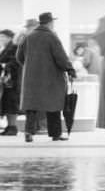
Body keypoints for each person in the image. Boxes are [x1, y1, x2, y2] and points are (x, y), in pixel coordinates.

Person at [17, 11, 76, 142]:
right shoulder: (51, 36)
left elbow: (19, 57)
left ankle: (29, 132)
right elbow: (60, 56)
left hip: (31, 78)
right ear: (50, 22)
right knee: (53, 105)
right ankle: (55, 134)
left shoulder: (29, 36)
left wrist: (29, 66)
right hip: (51, 77)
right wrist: (69, 69)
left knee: (32, 106)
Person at [0, 29, 21, 135]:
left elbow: (15, 61)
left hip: (11, 81)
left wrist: (4, 65)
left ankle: (13, 127)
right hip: (6, 80)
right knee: (7, 103)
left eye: (2, 36)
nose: (0, 39)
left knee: (11, 104)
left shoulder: (13, 47)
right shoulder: (6, 47)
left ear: (9, 37)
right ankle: (9, 126)